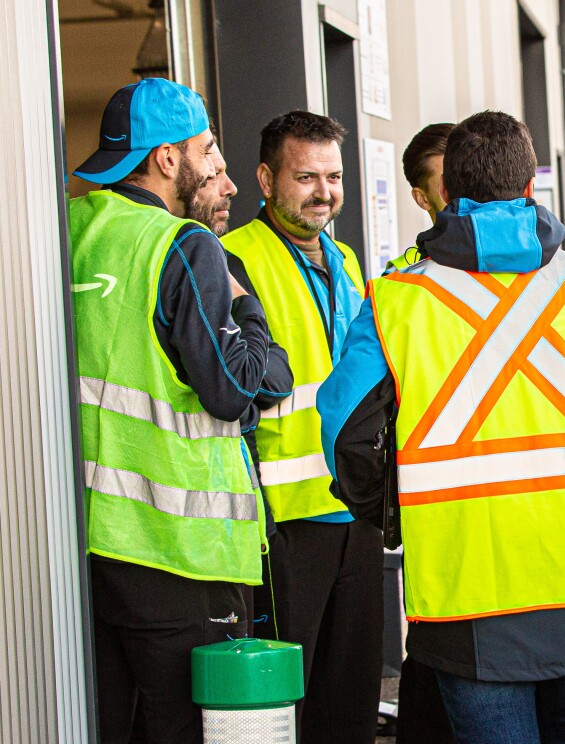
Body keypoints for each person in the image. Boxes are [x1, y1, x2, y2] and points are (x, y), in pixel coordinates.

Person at [318, 110, 565, 744]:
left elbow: (348, 433)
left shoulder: (396, 302)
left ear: (447, 196)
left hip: (466, 598)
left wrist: (395, 514)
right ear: (531, 190)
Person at [69, 77, 277, 743]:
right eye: (205, 148)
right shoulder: (182, 246)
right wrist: (247, 309)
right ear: (166, 159)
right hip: (179, 554)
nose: (213, 164)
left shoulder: (68, 229)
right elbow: (233, 388)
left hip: (85, 546)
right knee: (187, 728)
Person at [222, 111, 378, 743]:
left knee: (352, 697)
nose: (324, 191)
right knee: (290, 703)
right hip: (284, 522)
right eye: (305, 176)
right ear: (266, 178)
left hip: (357, 511)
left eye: (334, 176)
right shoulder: (234, 257)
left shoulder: (344, 258)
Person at [390, 121, 458, 744]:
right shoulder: (399, 283)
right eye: (446, 177)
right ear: (420, 195)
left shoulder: (562, 277)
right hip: (440, 530)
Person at [386, 122, 455, 273]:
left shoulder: (511, 254)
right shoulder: (399, 277)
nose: (466, 190)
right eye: (449, 183)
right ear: (422, 199)